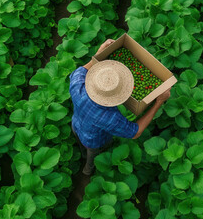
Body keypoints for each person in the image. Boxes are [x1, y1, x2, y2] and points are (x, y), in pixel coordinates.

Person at [69, 39, 171, 177]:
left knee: (82, 144)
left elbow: (83, 69)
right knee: (92, 155)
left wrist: (99, 54)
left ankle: (82, 153)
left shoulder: (77, 84)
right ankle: (88, 170)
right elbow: (136, 132)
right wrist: (159, 101)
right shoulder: (109, 117)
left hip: (76, 125)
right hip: (94, 141)